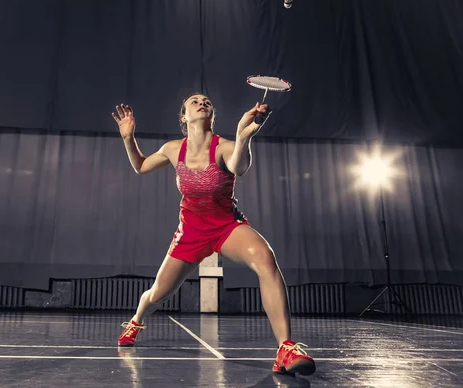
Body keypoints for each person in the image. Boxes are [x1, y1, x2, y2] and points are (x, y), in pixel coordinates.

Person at [111, 94, 315, 376]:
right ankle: (135, 320)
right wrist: (128, 137)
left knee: (265, 258)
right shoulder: (172, 149)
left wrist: (243, 137)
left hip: (225, 227)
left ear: (213, 116)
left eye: (206, 101)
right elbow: (140, 166)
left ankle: (285, 349)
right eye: (194, 101)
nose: (201, 102)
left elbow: (238, 168)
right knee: (158, 293)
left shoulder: (224, 147)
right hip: (190, 233)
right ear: (184, 116)